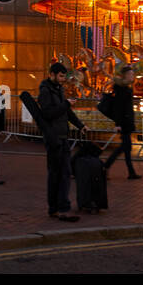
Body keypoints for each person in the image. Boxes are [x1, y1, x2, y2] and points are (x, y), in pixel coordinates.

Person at [38, 62, 86, 220]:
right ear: (52, 74)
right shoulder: (45, 91)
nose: (63, 79)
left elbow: (66, 111)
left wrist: (80, 125)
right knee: (56, 173)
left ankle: (62, 205)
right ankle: (55, 207)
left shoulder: (59, 89)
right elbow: (47, 113)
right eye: (60, 76)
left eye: (64, 76)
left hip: (63, 136)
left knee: (65, 172)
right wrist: (65, 104)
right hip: (53, 137)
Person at [101, 65, 142, 179]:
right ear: (125, 76)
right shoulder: (121, 89)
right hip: (124, 122)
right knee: (123, 148)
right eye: (130, 74)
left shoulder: (127, 88)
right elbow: (118, 108)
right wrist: (118, 124)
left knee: (126, 148)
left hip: (127, 121)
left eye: (132, 74)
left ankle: (131, 172)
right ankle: (105, 167)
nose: (132, 76)